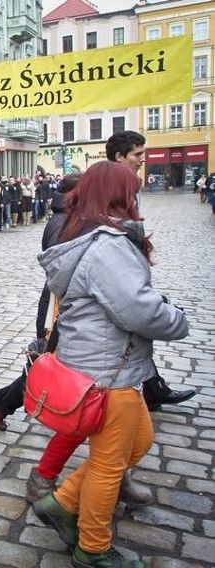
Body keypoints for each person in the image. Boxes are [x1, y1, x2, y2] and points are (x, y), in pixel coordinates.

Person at [33, 161, 188, 568]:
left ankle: (62, 503)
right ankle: (94, 548)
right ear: (120, 196)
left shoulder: (96, 238)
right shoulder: (107, 246)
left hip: (112, 368)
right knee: (108, 464)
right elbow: (137, 310)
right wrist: (176, 318)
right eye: (133, 190)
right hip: (107, 373)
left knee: (138, 442)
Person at [105, 130, 196, 409]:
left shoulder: (131, 182)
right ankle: (13, 396)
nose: (142, 160)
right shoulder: (110, 186)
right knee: (66, 348)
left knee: (128, 336)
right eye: (137, 154)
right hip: (111, 271)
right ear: (119, 156)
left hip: (125, 267)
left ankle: (153, 388)